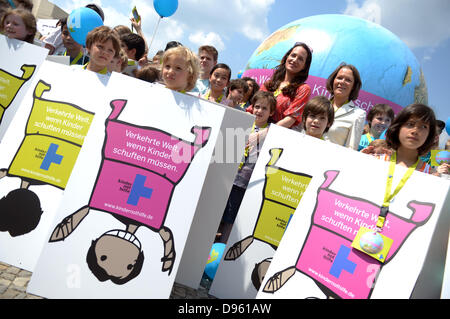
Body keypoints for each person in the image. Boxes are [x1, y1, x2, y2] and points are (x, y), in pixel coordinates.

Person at [216, 91, 276, 243]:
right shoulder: (243, 123)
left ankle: (221, 248)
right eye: (257, 107)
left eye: (264, 108)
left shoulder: (272, 132)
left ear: (271, 112)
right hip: (227, 178)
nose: (259, 111)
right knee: (216, 215)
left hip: (244, 184)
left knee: (231, 220)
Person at [362, 103, 442, 176]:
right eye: (410, 124)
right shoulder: (377, 161)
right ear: (398, 128)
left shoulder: (430, 175)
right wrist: (360, 160)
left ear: (429, 135)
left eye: (424, 126)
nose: (415, 131)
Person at [323, 63, 366, 150]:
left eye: (348, 80)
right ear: (333, 80)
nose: (342, 82)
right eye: (339, 78)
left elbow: (351, 149)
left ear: (354, 86)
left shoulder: (358, 114)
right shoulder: (319, 104)